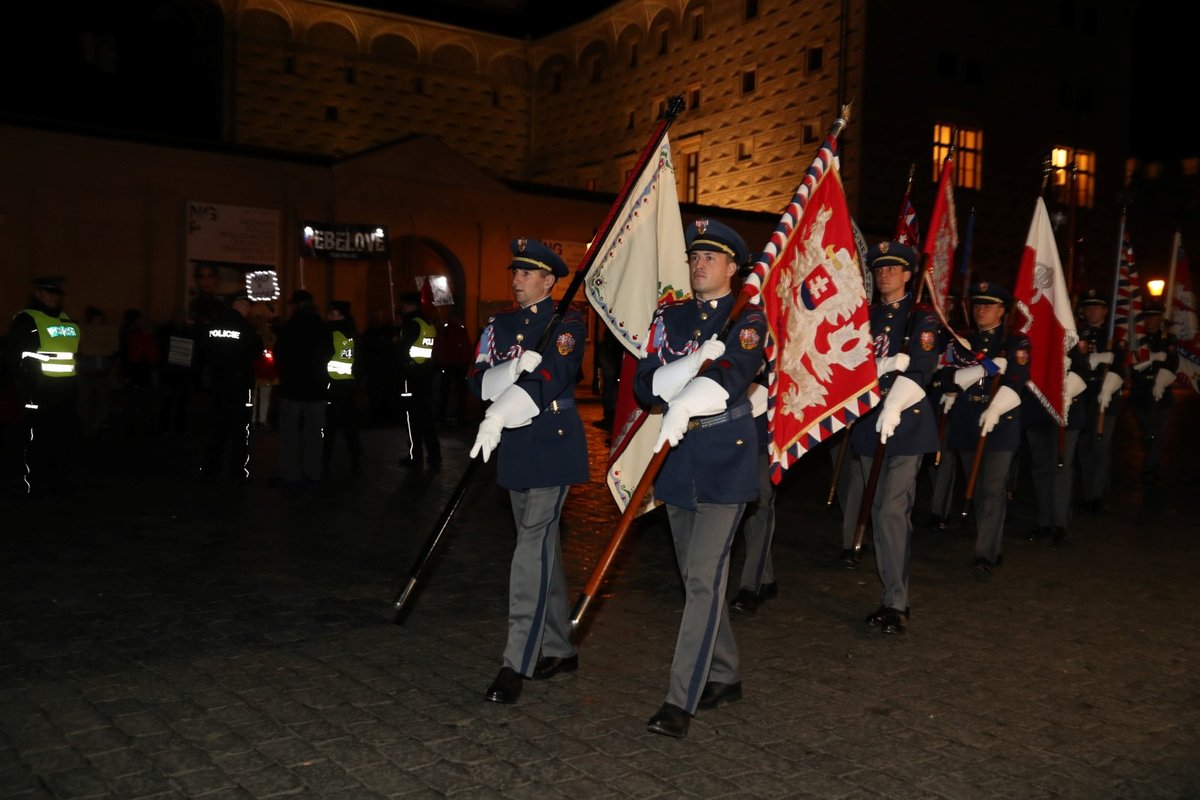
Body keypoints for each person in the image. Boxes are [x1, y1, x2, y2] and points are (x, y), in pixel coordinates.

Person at [633, 218, 766, 739]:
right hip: (679, 456)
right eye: (694, 256)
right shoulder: (672, 318)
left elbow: (733, 378)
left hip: (724, 456)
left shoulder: (748, 319)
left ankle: (679, 698)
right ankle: (726, 673)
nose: (699, 264)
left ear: (733, 268)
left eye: (711, 257)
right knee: (696, 578)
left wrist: (687, 393)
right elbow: (645, 386)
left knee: (704, 577)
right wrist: (688, 364)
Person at [467, 238, 588, 706]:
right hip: (515, 445)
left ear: (549, 281)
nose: (516, 280)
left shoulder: (568, 323)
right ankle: (559, 645)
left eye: (526, 273)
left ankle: (516, 661)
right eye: (514, 271)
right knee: (541, 549)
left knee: (528, 550)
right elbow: (478, 379)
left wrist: (510, 397)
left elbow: (554, 374)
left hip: (552, 443)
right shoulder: (500, 324)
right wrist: (512, 367)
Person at [837, 242, 940, 634]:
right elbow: (850, 363)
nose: (885, 275)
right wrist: (880, 364)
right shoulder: (866, 317)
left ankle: (896, 602)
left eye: (894, 269)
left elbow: (923, 368)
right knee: (880, 508)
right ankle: (890, 588)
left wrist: (895, 402)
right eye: (880, 269)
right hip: (869, 424)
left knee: (889, 511)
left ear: (909, 275)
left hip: (907, 424)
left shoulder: (922, 319)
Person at [939, 281, 1030, 578]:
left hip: (1000, 424)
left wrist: (997, 406)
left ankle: (985, 553)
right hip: (967, 422)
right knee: (977, 489)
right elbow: (947, 378)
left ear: (1003, 311)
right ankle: (991, 543)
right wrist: (981, 369)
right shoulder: (962, 341)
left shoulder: (1016, 342)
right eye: (978, 305)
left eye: (989, 305)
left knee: (992, 489)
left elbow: (1018, 378)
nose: (982, 310)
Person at [6, 276, 81, 498]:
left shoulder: (67, 321)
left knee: (63, 440)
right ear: (39, 293)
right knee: (37, 440)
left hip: (65, 392)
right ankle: (35, 486)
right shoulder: (26, 319)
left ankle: (60, 483)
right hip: (39, 392)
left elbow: (75, 356)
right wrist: (30, 384)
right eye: (49, 292)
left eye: (57, 293)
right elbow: (15, 356)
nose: (53, 297)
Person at [1022, 351, 1087, 546]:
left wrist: (1066, 391)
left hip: (1065, 409)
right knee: (1040, 468)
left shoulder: (1069, 336)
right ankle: (1044, 520)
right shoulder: (1028, 336)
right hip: (1036, 408)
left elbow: (1081, 367)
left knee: (1061, 467)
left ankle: (1060, 523)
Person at [198, 291, 262, 484]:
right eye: (247, 304)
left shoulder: (214, 326)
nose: (248, 308)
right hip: (240, 385)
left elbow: (203, 350)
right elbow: (256, 350)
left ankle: (210, 468)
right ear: (238, 304)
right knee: (240, 430)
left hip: (218, 383)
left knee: (216, 428)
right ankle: (237, 471)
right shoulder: (246, 328)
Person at [1072, 288, 1126, 513]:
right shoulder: (1079, 334)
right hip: (1083, 396)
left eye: (1096, 307)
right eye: (1088, 307)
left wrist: (1110, 383)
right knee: (1084, 447)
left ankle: (1097, 494)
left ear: (1105, 311)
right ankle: (1088, 492)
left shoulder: (1113, 336)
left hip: (1104, 397)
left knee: (1100, 446)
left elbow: (1121, 366)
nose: (1091, 311)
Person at [729, 369, 777, 615]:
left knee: (759, 503)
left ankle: (751, 587)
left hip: (760, 423)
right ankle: (765, 578)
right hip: (723, 423)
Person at [273, 289, 332, 486]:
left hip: (292, 389)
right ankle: (313, 471)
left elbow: (279, 355)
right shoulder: (322, 327)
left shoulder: (289, 327)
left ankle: (291, 474)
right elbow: (329, 355)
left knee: (290, 435)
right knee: (315, 435)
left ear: (296, 306)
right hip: (316, 390)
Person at [1128, 301, 1179, 488]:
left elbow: (1173, 362)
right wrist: (1151, 358)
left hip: (1161, 394)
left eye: (1154, 316)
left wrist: (1162, 379)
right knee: (1145, 434)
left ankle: (1149, 468)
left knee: (1156, 434)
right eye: (1147, 316)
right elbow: (1132, 363)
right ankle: (1153, 464)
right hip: (1141, 393)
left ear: (1160, 318)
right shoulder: (1136, 338)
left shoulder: (1168, 338)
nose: (1150, 320)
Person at [397, 292, 441, 467]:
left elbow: (403, 350)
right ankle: (434, 453)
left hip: (411, 375)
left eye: (404, 305)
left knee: (412, 418)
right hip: (425, 374)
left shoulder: (410, 324)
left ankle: (415, 455)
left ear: (409, 305)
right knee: (426, 417)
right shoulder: (427, 322)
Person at [323, 299, 362, 474]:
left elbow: (321, 358)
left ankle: (324, 460)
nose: (328, 316)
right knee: (349, 425)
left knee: (329, 426)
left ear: (340, 315)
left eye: (332, 313)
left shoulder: (330, 332)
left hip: (333, 385)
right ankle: (355, 457)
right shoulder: (353, 333)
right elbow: (359, 360)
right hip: (348, 385)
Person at [117, 308, 160, 437]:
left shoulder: (126, 332)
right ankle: (141, 427)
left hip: (136, 371)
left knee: (135, 401)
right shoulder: (135, 333)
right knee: (141, 400)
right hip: (138, 371)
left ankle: (133, 427)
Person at [76, 305, 117, 438]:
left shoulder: (104, 336)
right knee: (84, 402)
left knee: (103, 402)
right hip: (86, 373)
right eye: (98, 320)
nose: (100, 323)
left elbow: (111, 350)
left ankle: (97, 427)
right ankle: (85, 429)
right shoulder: (83, 334)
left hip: (101, 374)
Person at [156, 307, 197, 436]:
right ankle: (165, 427)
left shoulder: (189, 330)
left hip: (183, 370)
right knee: (167, 399)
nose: (180, 317)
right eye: (178, 314)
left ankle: (180, 426)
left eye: (182, 315)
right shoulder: (165, 330)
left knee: (182, 401)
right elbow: (161, 348)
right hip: (170, 369)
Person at [359, 308, 400, 428]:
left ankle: (389, 418)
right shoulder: (369, 333)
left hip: (388, 370)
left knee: (389, 395)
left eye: (380, 315)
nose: (378, 318)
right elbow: (372, 347)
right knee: (376, 396)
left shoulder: (389, 330)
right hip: (375, 370)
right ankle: (378, 419)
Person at [433, 308, 474, 426]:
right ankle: (445, 416)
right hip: (451, 364)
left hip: (459, 364)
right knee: (448, 391)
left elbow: (466, 345)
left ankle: (457, 415)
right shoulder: (447, 330)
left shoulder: (458, 329)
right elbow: (442, 347)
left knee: (458, 391)